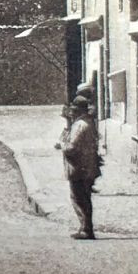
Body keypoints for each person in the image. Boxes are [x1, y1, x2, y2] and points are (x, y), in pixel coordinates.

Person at [56, 96, 101, 239]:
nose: (71, 113)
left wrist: (61, 145)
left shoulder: (80, 125)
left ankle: (86, 229)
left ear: (77, 111)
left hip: (79, 167)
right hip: (88, 166)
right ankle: (86, 228)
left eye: (73, 111)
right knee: (84, 198)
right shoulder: (88, 123)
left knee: (78, 198)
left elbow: (71, 147)